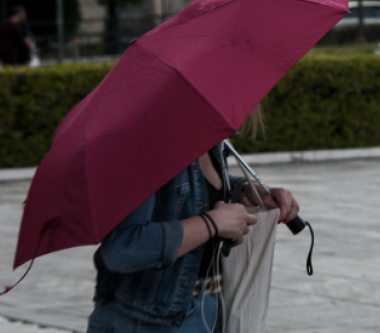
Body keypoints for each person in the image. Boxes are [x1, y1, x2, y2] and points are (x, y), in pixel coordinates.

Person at [86, 141, 300, 332]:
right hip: (145, 321)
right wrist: (213, 223)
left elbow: (196, 194)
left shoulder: (210, 140)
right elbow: (123, 249)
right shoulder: (146, 142)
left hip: (207, 310)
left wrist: (246, 192)